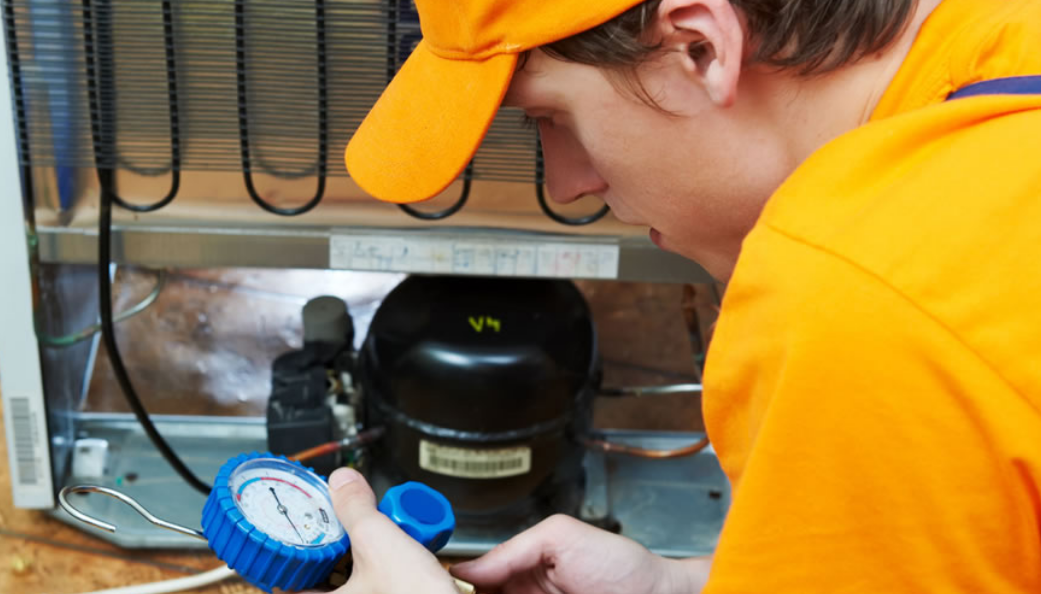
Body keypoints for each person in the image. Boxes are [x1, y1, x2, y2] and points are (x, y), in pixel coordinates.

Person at [309, 0, 1041, 592]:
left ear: (698, 48)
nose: (568, 184)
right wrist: (682, 586)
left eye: (552, 119)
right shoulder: (1003, 46)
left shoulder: (856, 295)